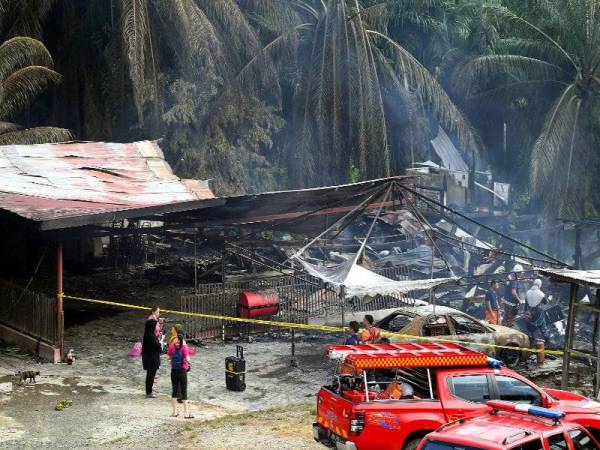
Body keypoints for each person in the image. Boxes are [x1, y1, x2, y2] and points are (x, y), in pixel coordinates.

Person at [167, 332, 193, 418]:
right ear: (183, 340)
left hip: (174, 371)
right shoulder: (184, 348)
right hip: (182, 371)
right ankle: (186, 413)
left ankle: (174, 412)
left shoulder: (171, 347)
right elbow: (188, 359)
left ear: (176, 339)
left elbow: (169, 358)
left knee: (174, 391)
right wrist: (188, 363)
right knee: (184, 391)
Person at [525, 279, 550, 343]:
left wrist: (525, 313)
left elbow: (526, 305)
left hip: (530, 313)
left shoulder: (527, 292)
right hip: (538, 314)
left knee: (531, 329)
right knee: (543, 327)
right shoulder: (541, 293)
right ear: (539, 285)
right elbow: (546, 302)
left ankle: (531, 342)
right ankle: (547, 341)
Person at [142, 318, 161, 398]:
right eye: (155, 325)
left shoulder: (148, 334)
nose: (156, 327)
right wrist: (160, 342)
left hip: (149, 358)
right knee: (150, 376)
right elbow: (158, 347)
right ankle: (149, 392)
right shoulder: (150, 336)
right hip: (151, 359)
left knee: (150, 376)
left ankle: (149, 391)